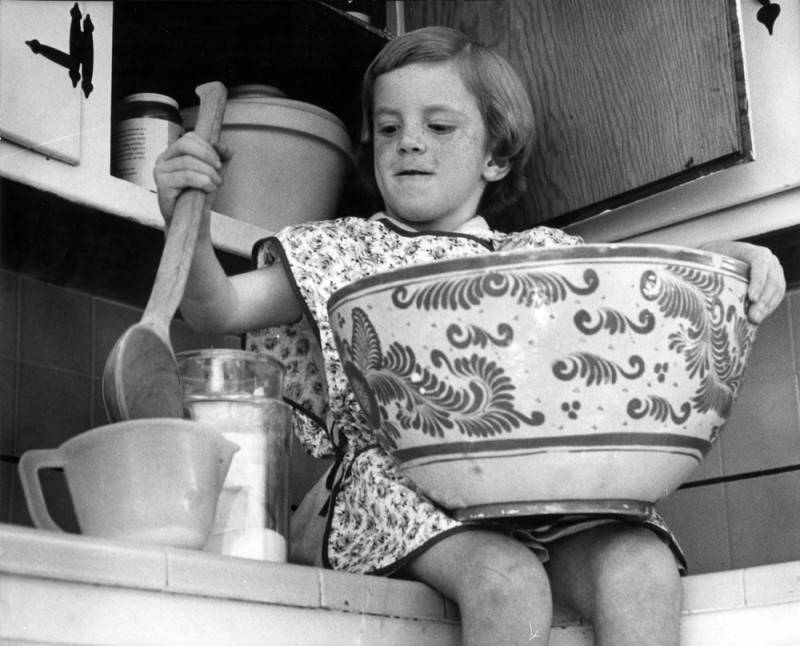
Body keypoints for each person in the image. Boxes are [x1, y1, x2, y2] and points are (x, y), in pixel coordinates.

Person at [154, 26, 785, 646]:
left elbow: (644, 283)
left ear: (496, 154)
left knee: (641, 569)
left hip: (539, 497)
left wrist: (732, 257)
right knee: (505, 581)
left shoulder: (534, 258)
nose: (409, 144)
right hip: (398, 491)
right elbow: (217, 309)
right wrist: (184, 210)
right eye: (390, 128)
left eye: (439, 126)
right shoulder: (341, 250)